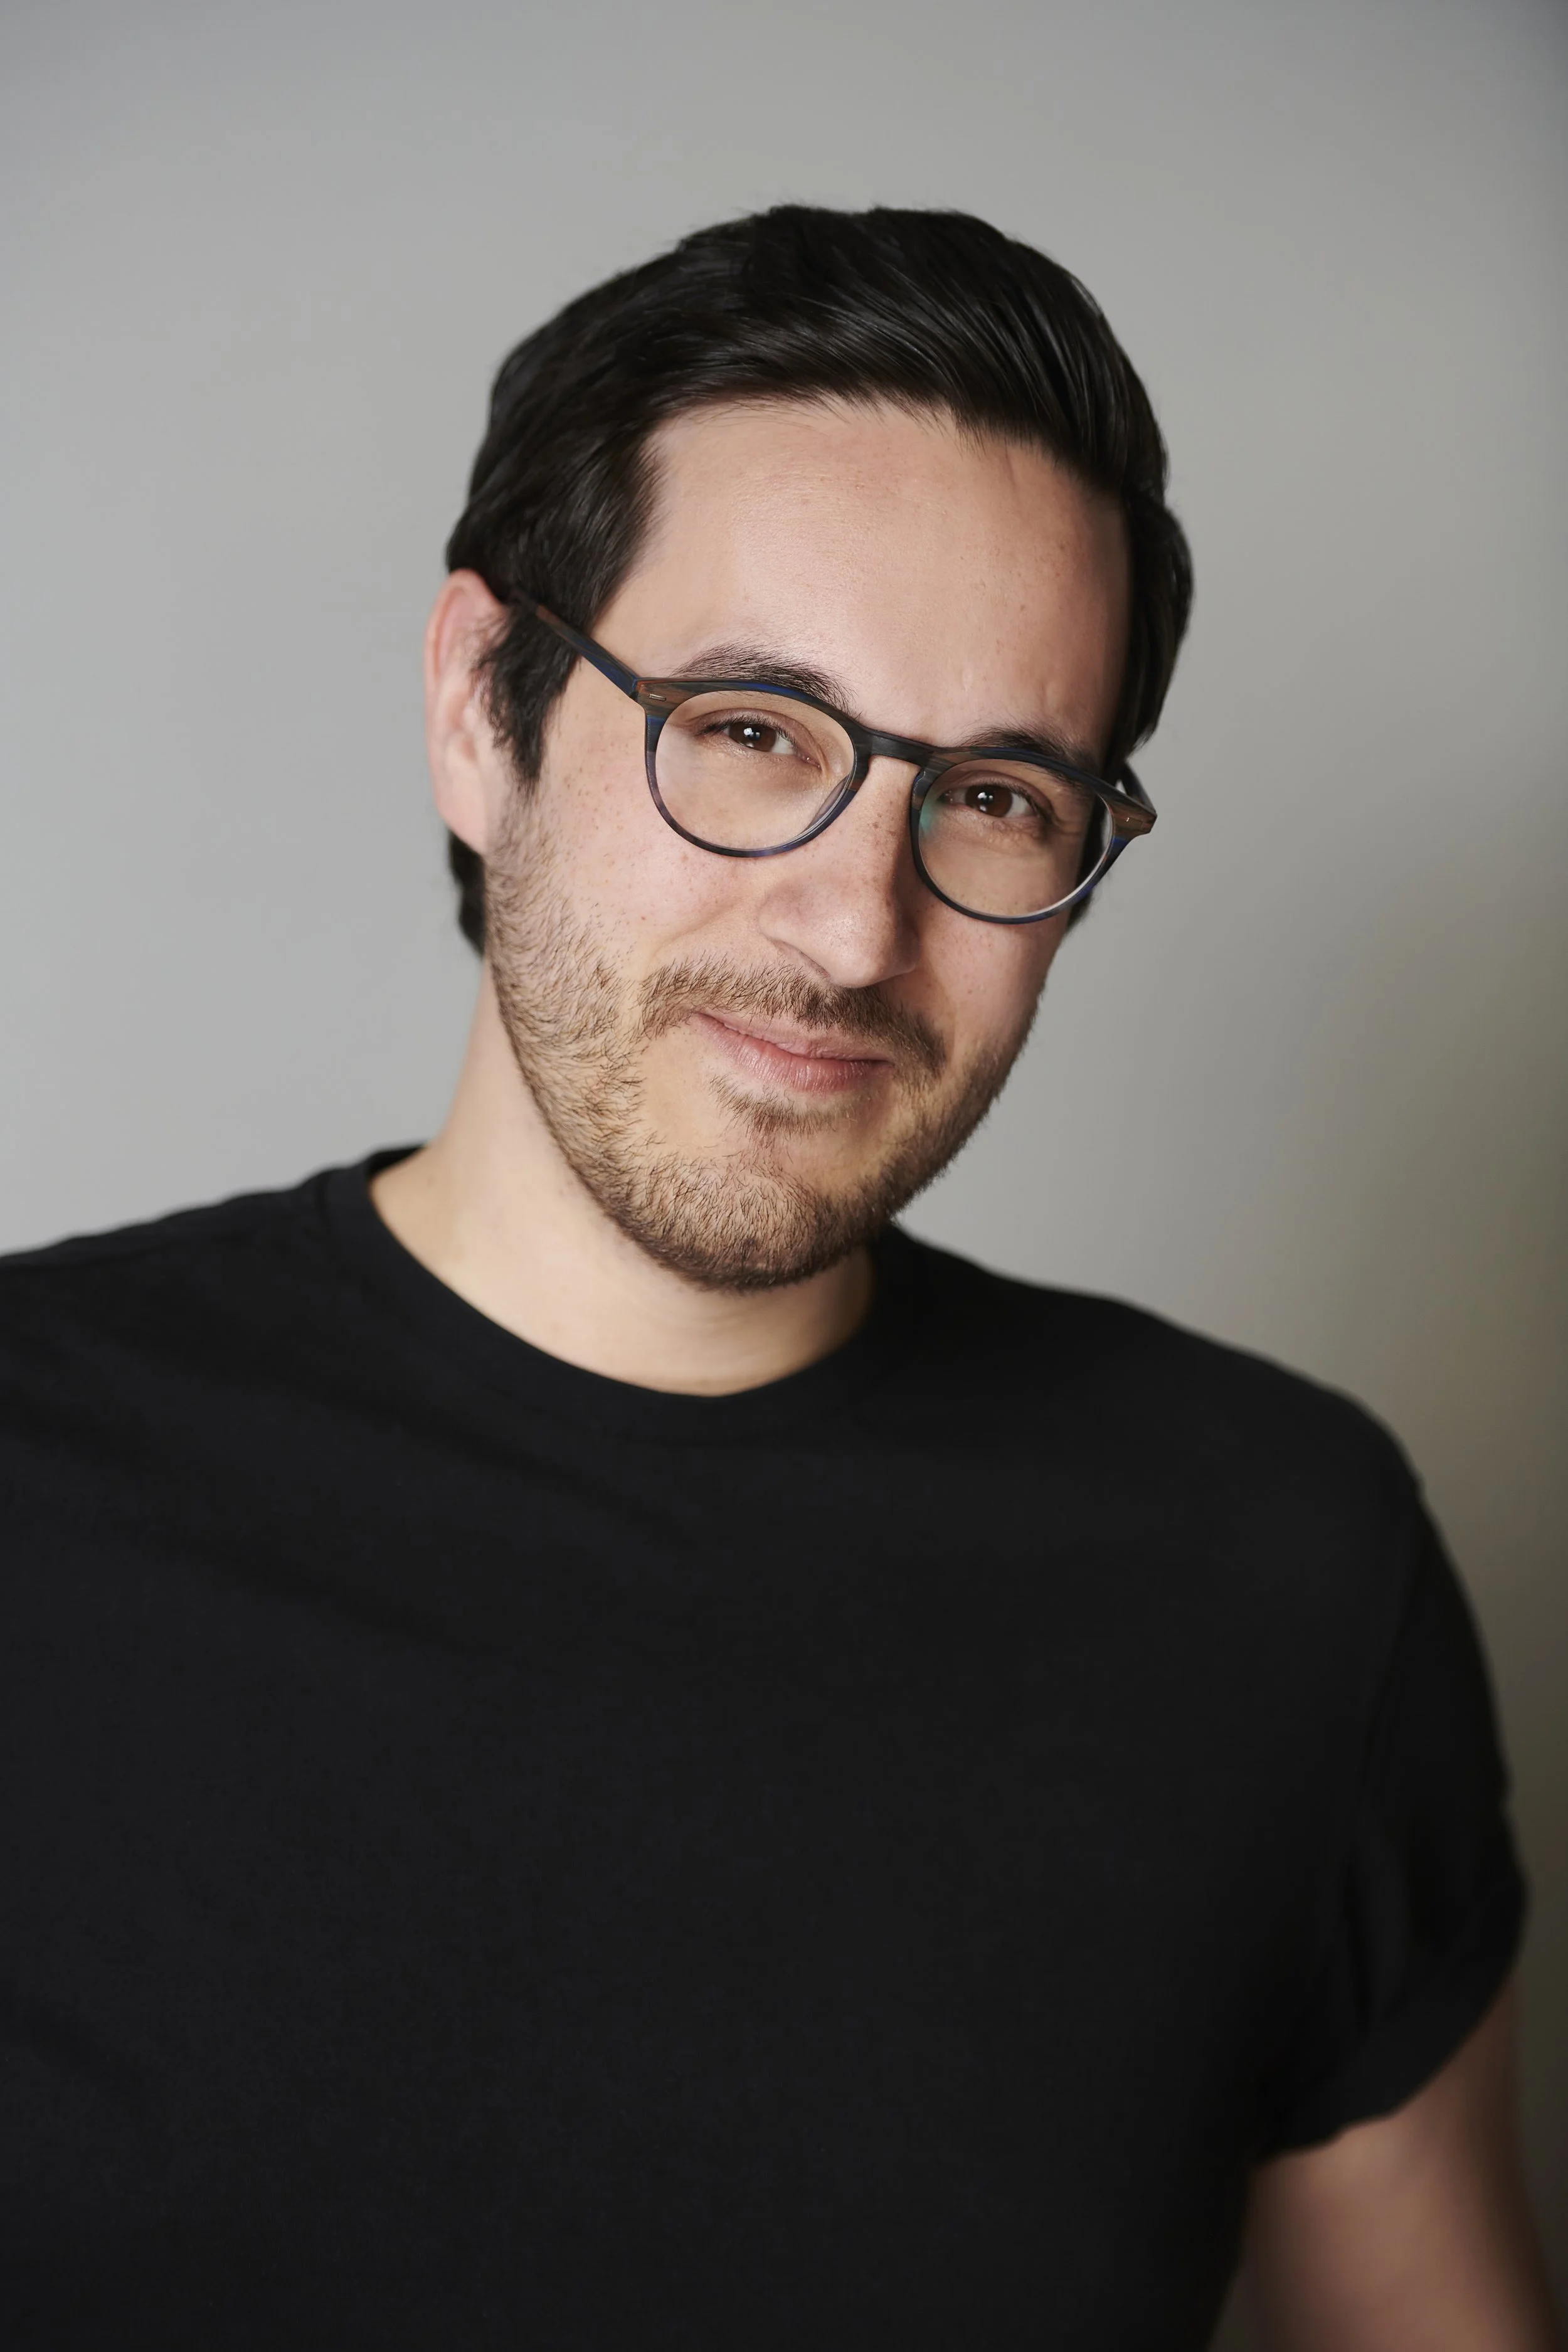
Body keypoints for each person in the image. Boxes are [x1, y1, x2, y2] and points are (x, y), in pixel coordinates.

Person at [0, 206, 1557, 2351]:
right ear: (477, 710)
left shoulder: (1286, 1558)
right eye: (746, 728)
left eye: (994, 793)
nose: (849, 930)